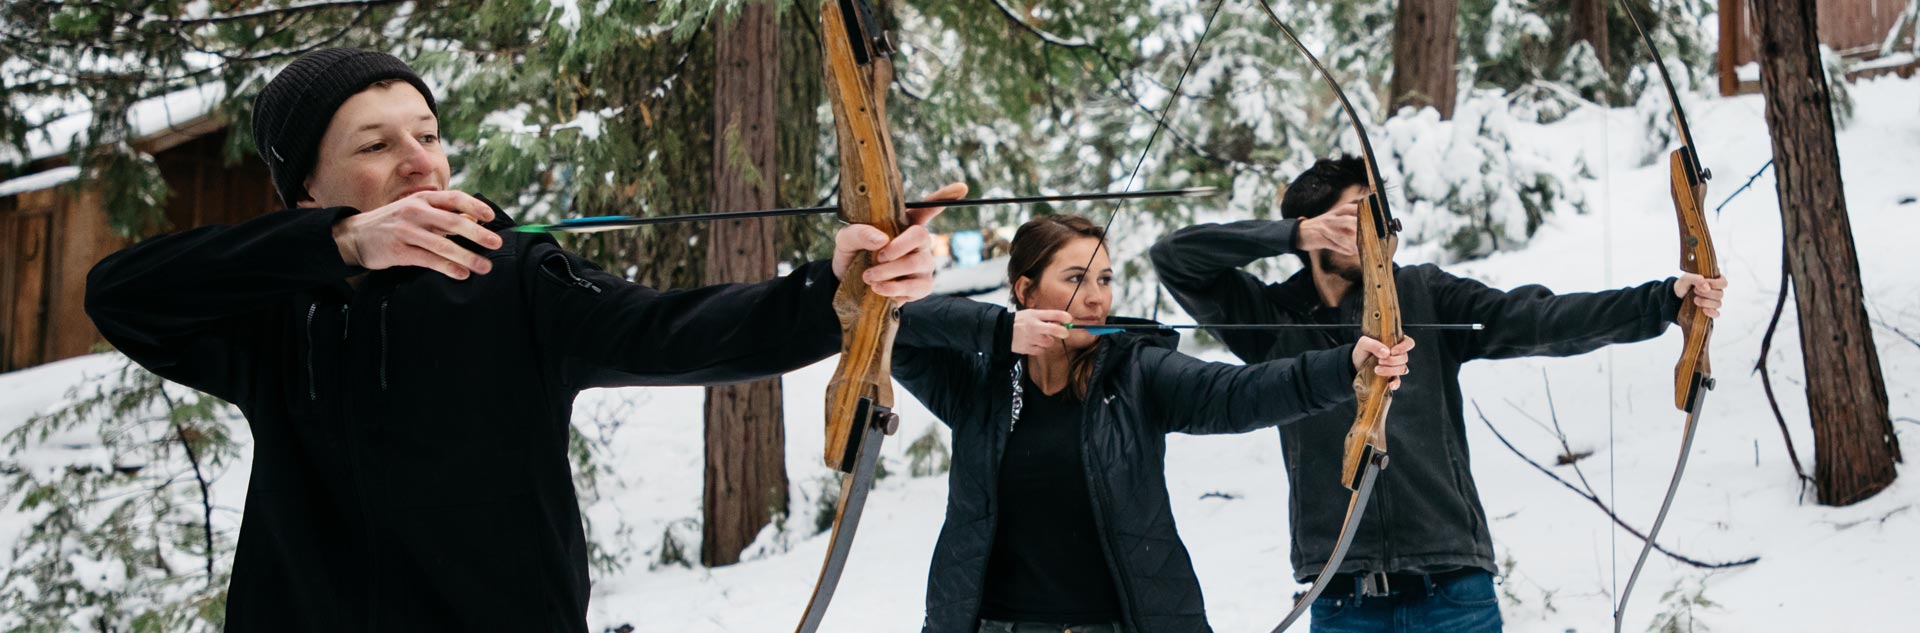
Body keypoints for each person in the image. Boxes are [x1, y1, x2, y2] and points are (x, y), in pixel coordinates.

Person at [83, 48, 953, 632]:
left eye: (427, 134)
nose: (421, 161)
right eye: (377, 145)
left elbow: (668, 331)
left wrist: (836, 292)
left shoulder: (515, 280)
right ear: (305, 188)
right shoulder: (273, 316)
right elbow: (121, 295)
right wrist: (343, 246)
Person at [1147, 156, 1729, 632]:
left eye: (1379, 214)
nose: (1376, 228)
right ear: (1314, 229)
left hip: (1453, 590)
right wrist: (1291, 234)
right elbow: (1175, 258)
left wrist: (1660, 301)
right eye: (1355, 214)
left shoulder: (1421, 293)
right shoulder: (1271, 317)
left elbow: (1535, 318)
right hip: (1341, 595)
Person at [892, 214, 1415, 633]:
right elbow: (890, 323)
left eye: (1104, 279)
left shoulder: (1138, 371)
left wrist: (1346, 365)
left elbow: (1239, 394)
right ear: (1026, 291)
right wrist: (1000, 329)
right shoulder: (976, 384)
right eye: (1076, 279)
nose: (1097, 297)